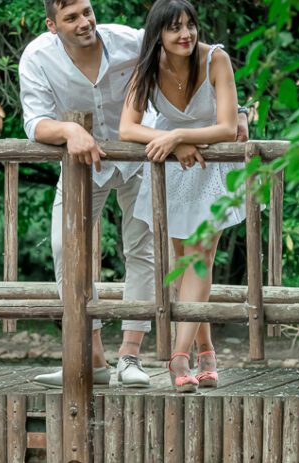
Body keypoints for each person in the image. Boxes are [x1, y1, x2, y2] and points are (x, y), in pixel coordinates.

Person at [19, 0, 155, 388]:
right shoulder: (37, 58)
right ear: (52, 25)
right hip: (83, 164)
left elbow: (187, 51)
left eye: (87, 11)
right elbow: (35, 121)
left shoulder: (129, 41)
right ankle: (92, 359)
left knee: (142, 250)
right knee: (65, 247)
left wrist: (238, 109)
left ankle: (130, 357)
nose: (84, 22)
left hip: (141, 156)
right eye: (72, 17)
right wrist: (69, 130)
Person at [119, 0, 246, 392]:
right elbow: (127, 128)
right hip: (174, 170)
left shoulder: (216, 60)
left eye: (190, 25)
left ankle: (178, 357)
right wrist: (171, 141)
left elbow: (227, 127)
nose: (185, 34)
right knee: (183, 264)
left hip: (212, 166)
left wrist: (179, 135)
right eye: (174, 27)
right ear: (158, 33)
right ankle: (206, 351)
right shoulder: (147, 68)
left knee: (200, 258)